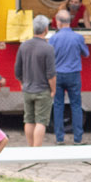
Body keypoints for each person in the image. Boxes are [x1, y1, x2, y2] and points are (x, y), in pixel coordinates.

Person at [15, 13, 57, 147]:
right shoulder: (48, 48)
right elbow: (51, 74)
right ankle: (37, 150)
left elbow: (17, 70)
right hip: (43, 89)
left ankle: (30, 147)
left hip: (27, 89)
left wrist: (22, 83)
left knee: (29, 120)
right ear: (46, 29)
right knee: (41, 121)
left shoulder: (24, 46)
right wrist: (53, 90)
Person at [49, 9, 88, 144]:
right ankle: (78, 138)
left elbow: (49, 57)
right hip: (73, 74)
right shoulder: (78, 37)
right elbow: (86, 53)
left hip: (58, 74)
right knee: (76, 105)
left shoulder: (53, 38)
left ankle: (59, 138)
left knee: (58, 105)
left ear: (58, 22)